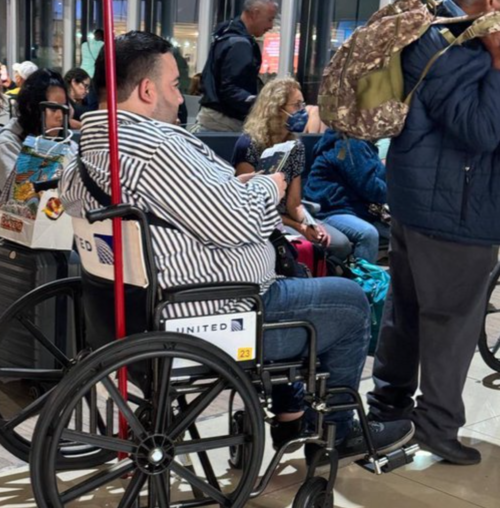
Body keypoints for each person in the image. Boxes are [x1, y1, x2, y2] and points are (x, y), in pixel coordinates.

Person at [60, 30, 413, 463]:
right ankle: (338, 431)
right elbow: (238, 221)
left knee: (296, 275)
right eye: (174, 86)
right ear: (147, 90)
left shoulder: (88, 149)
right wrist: (271, 183)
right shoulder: (155, 148)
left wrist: (235, 186)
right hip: (206, 315)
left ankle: (290, 414)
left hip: (128, 312)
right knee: (349, 301)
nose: (180, 97)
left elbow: (188, 207)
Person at [367, 0, 500, 465]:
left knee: (405, 313)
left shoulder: (442, 34)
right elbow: (480, 130)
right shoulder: (446, 42)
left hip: (425, 202)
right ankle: (436, 428)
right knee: (452, 322)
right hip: (453, 210)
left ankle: (388, 410)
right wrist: (499, 60)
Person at [233, 77, 352, 261]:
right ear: (276, 109)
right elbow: (248, 204)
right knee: (303, 245)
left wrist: (309, 223)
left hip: (287, 216)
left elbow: (294, 203)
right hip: (260, 218)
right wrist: (300, 227)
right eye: (296, 105)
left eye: (302, 104)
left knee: (339, 243)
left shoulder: (295, 146)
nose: (303, 111)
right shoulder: (249, 144)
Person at [304, 130, 390, 263]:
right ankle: (364, 281)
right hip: (330, 210)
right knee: (367, 233)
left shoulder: (364, 144)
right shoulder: (350, 144)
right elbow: (371, 188)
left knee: (403, 231)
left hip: (356, 208)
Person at [193, 0, 278, 132]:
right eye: (269, 19)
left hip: (215, 119)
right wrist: (260, 103)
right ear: (255, 14)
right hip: (223, 123)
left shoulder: (226, 34)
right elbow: (230, 89)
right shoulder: (239, 44)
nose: (271, 26)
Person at [0, 69, 68, 192]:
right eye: (53, 109)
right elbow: (22, 198)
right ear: (31, 107)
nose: (60, 116)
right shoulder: (7, 144)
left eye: (63, 109)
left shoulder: (62, 140)